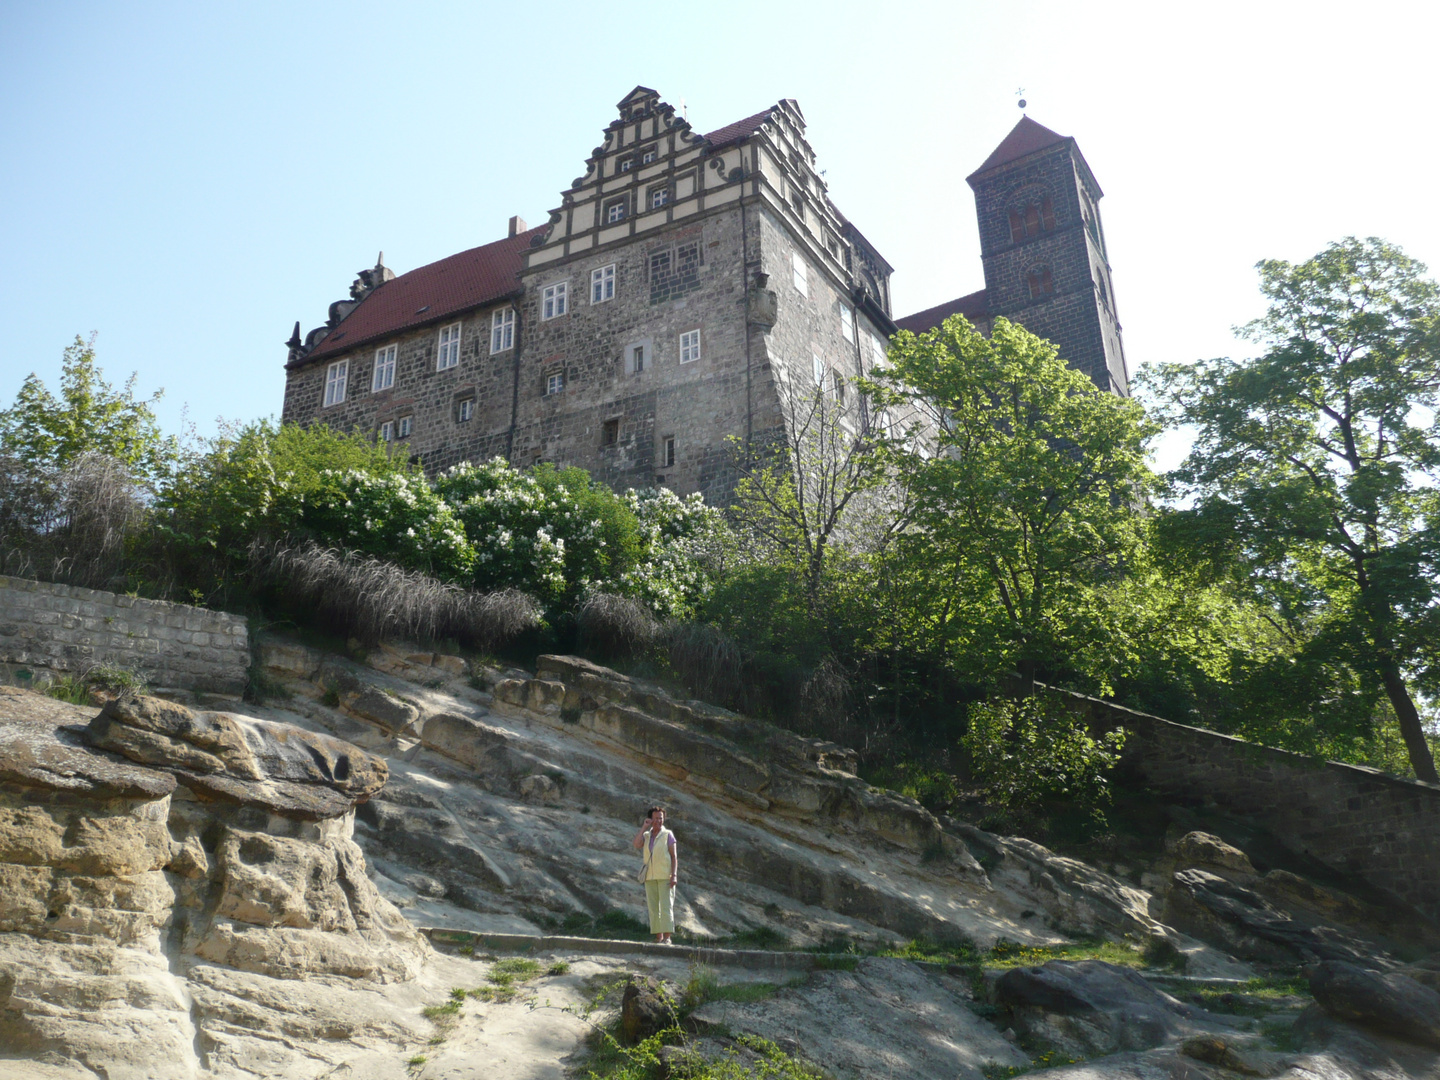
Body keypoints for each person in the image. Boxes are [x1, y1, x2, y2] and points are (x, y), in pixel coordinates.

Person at [632, 806, 678, 943]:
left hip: (665, 876)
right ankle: (659, 937)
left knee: (666, 907)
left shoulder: (668, 834)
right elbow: (636, 844)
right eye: (656, 818)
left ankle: (667, 938)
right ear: (650, 819)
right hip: (650, 877)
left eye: (661, 818)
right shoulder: (646, 836)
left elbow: (674, 856)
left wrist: (674, 875)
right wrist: (643, 828)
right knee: (653, 908)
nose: (659, 821)